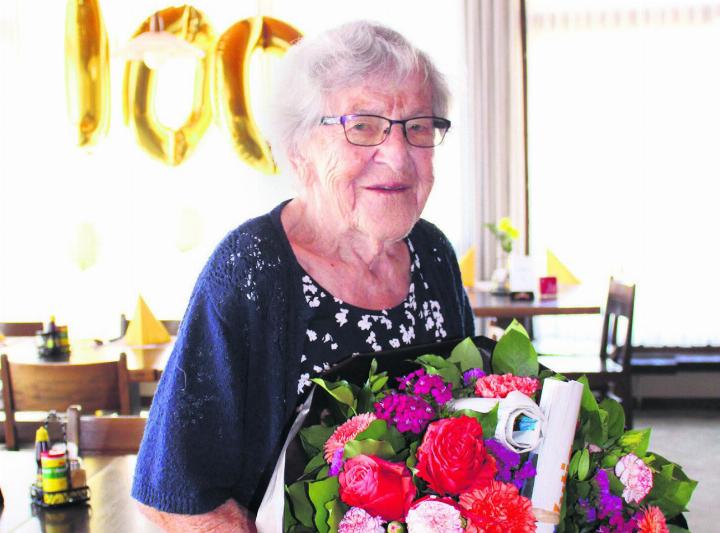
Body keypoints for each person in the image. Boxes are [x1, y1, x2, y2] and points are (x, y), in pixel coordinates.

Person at [132, 20, 475, 531]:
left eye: (419, 126)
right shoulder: (250, 269)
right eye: (362, 125)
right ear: (299, 149)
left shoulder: (433, 253)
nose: (400, 156)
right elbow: (174, 494)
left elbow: (475, 422)